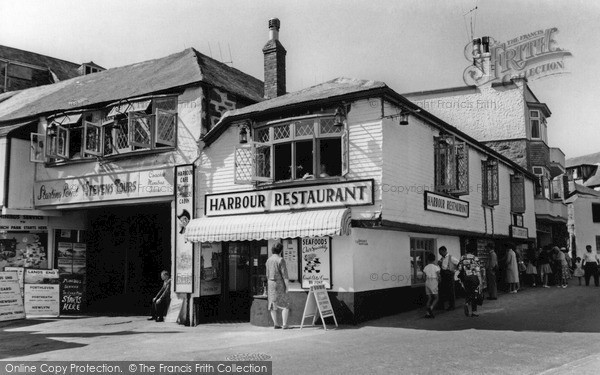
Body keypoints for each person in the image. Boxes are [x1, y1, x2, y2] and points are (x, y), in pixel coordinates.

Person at [266, 242, 291, 329]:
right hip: (279, 283)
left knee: (273, 303)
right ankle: (284, 324)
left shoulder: (268, 260)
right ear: (281, 250)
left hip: (270, 283)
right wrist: (287, 287)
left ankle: (276, 324)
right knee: (285, 304)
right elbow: (285, 275)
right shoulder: (281, 260)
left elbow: (267, 274)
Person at [458, 243, 483, 317]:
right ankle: (474, 312)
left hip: (465, 278)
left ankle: (466, 303)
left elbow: (459, 268)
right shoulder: (475, 258)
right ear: (473, 250)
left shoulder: (462, 257)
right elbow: (478, 270)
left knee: (468, 292)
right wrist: (480, 281)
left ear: (466, 249)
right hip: (474, 277)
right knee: (474, 294)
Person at [437, 246, 458, 310]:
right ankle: (441, 306)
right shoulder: (442, 258)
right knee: (442, 290)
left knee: (451, 291)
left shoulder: (451, 258)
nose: (440, 254)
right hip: (443, 274)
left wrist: (454, 270)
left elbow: (459, 263)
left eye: (440, 253)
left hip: (449, 275)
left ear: (444, 251)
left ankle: (452, 306)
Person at [423, 253, 440, 318]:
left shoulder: (425, 267)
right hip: (434, 281)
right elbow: (438, 276)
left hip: (427, 282)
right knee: (436, 298)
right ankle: (431, 308)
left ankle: (427, 313)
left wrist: (426, 281)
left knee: (429, 298)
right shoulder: (436, 267)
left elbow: (424, 277)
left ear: (428, 259)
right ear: (434, 259)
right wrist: (439, 281)